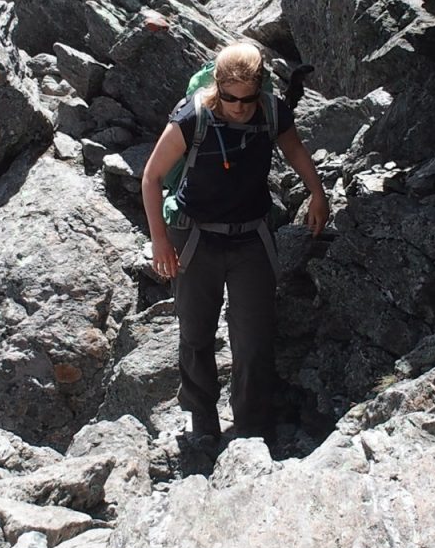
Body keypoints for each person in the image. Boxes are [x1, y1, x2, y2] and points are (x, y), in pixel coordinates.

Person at [141, 39, 329, 444]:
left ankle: (250, 427)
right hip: (195, 238)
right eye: (230, 98)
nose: (240, 107)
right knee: (195, 334)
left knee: (254, 336)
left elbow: (294, 148)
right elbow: (152, 176)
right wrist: (160, 241)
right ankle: (202, 423)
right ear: (217, 86)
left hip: (251, 238)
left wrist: (317, 192)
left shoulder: (272, 111)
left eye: (247, 99)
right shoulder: (193, 116)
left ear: (259, 89)